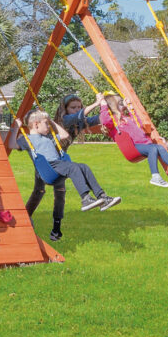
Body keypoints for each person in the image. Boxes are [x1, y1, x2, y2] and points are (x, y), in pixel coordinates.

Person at [19, 93, 106, 242]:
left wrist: (110, 111)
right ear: (64, 109)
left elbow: (93, 120)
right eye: (73, 107)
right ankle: (26, 218)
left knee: (57, 193)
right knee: (40, 191)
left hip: (59, 159)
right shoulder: (65, 120)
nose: (77, 110)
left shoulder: (76, 121)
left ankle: (56, 229)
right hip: (47, 162)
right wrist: (97, 103)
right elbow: (77, 117)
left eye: (79, 107)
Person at [6, 110, 121, 212]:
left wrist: (51, 121)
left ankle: (102, 197)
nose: (48, 126)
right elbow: (11, 144)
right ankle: (85, 199)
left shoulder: (49, 137)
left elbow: (64, 135)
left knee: (83, 167)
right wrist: (16, 127)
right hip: (49, 169)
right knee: (73, 167)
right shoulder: (27, 139)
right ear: (36, 125)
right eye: (46, 124)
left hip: (59, 166)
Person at [100, 94, 168, 187]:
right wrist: (103, 105)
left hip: (144, 145)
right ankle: (155, 176)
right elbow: (105, 120)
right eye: (119, 103)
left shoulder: (127, 118)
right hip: (132, 148)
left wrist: (131, 110)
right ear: (112, 106)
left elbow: (138, 124)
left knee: (159, 147)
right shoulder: (113, 122)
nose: (122, 104)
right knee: (153, 149)